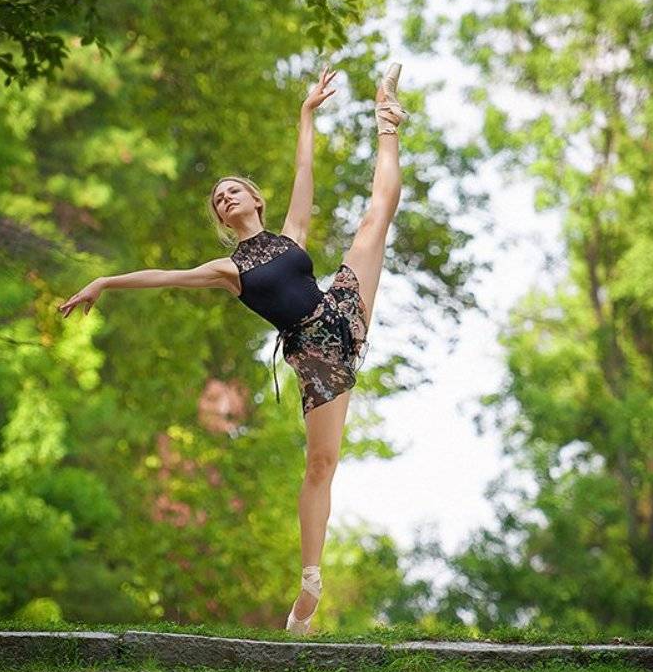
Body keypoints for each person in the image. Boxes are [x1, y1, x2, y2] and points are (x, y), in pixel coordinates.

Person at [58, 62, 406, 634]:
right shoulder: (229, 269)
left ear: (255, 199)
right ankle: (310, 583)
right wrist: (105, 282)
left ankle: (386, 116)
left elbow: (303, 168)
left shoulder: (290, 234)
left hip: (341, 309)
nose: (225, 196)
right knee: (320, 465)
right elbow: (164, 276)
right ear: (222, 217)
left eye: (233, 189)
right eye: (218, 198)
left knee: (375, 218)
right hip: (316, 355)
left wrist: (306, 114)